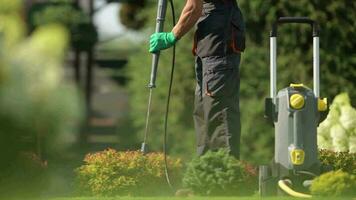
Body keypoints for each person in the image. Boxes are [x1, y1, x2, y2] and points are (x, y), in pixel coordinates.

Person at [149, 0, 245, 159]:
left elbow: (194, 7)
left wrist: (172, 35)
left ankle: (226, 177)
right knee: (203, 113)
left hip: (219, 43)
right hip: (210, 45)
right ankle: (205, 172)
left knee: (218, 115)